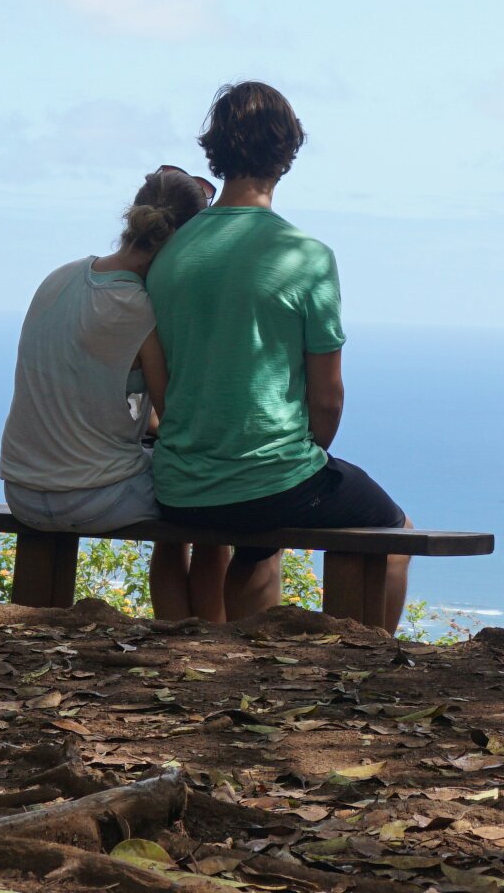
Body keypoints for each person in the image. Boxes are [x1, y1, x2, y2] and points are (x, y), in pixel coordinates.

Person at [143, 80, 412, 626]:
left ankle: (247, 658)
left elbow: (163, 381)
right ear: (288, 153)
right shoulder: (306, 256)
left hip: (179, 485)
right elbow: (328, 399)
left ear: (214, 150)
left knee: (256, 540)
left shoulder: (171, 252)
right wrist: (295, 460)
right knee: (394, 533)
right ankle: (372, 658)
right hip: (270, 481)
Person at [0, 162, 213, 617]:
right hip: (90, 496)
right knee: (213, 491)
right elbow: (172, 416)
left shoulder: (59, 277)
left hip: (21, 489)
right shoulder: (140, 307)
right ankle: (191, 636)